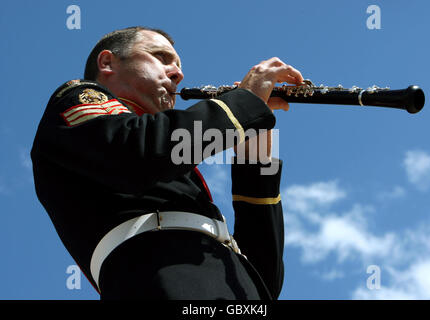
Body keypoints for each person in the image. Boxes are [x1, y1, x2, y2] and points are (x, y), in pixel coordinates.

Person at [31, 26, 304, 300]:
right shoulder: (78, 98)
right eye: (161, 57)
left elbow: (265, 279)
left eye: (177, 65)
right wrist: (242, 104)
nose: (178, 73)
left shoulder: (172, 161)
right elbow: (140, 152)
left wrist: (254, 153)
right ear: (107, 63)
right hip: (160, 276)